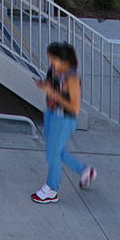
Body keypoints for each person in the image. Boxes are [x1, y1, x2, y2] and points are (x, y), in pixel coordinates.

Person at [31, 41, 94, 202]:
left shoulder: (71, 79)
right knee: (54, 150)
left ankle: (52, 189)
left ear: (64, 61)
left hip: (64, 119)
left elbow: (75, 108)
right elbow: (51, 85)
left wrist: (52, 91)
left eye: (53, 60)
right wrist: (44, 85)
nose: (51, 63)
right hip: (51, 113)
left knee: (53, 154)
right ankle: (84, 170)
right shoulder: (54, 69)